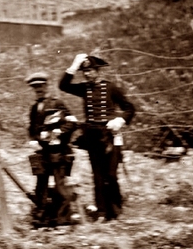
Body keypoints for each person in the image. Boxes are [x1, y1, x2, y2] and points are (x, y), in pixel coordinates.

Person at [59, 53, 136, 221]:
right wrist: (74, 65)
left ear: (98, 71)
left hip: (111, 135)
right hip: (92, 136)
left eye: (91, 70)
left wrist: (120, 120)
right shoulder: (84, 88)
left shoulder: (110, 87)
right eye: (84, 71)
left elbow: (130, 107)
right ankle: (101, 212)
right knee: (97, 175)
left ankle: (115, 209)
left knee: (111, 174)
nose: (87, 74)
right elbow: (63, 86)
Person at [26, 71, 78, 227]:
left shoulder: (57, 103)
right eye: (35, 87)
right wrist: (33, 140)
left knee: (60, 187)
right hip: (42, 154)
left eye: (40, 86)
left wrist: (59, 132)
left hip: (58, 153)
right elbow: (32, 128)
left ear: (46, 86)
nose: (38, 90)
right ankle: (42, 219)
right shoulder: (35, 107)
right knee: (40, 187)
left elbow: (72, 123)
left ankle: (63, 221)